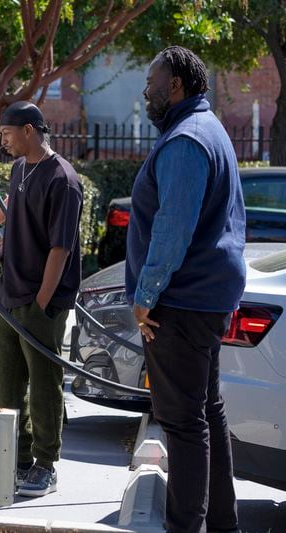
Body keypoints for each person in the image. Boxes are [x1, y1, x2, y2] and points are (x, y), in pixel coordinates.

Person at [126, 46, 245, 533]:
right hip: (203, 299)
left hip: (178, 303)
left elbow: (172, 229)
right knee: (206, 413)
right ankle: (222, 525)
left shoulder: (186, 140)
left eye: (151, 81)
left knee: (182, 423)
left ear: (175, 84)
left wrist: (145, 295)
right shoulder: (207, 128)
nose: (146, 90)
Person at [0, 101, 82, 497]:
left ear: (29, 130)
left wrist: (43, 301)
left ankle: (46, 464)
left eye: (7, 135)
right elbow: (11, 208)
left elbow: (60, 248)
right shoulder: (19, 169)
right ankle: (20, 459)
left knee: (43, 384)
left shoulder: (63, 179)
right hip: (8, 295)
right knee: (7, 383)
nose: (2, 142)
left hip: (40, 299)